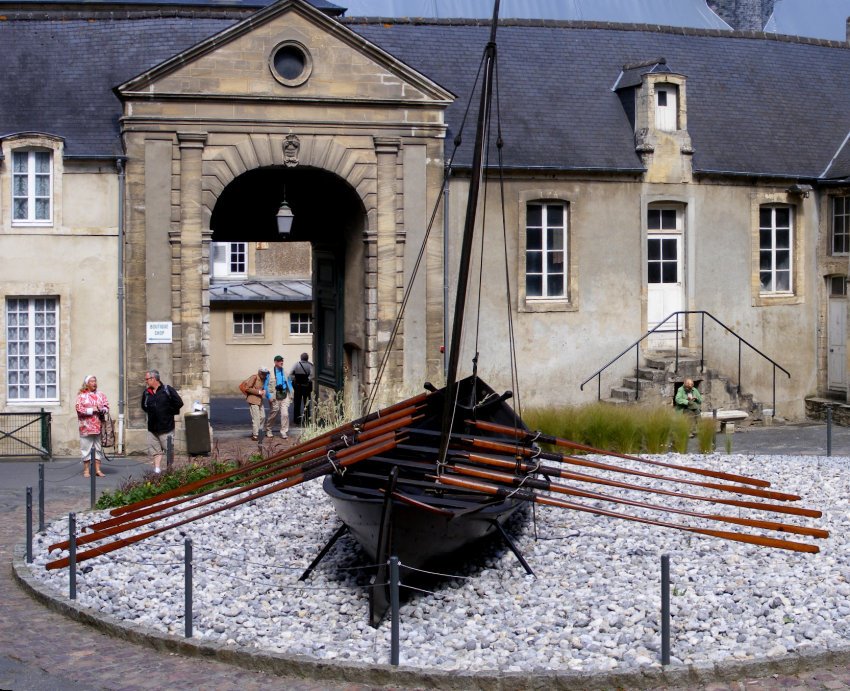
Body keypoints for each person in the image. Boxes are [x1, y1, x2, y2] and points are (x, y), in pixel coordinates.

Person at [141, 369, 184, 473]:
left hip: (166, 427)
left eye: (147, 379)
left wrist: (168, 412)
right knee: (155, 451)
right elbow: (144, 406)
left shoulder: (167, 390)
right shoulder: (147, 393)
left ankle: (170, 469)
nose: (146, 381)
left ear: (154, 379)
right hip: (152, 428)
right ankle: (157, 469)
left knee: (169, 450)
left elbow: (179, 403)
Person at [75, 374, 109, 477]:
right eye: (91, 381)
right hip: (86, 427)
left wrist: (103, 409)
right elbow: (79, 409)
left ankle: (97, 470)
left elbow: (106, 406)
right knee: (86, 448)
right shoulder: (81, 396)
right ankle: (86, 470)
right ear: (87, 384)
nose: (94, 383)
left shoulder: (101, 394)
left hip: (98, 426)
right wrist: (92, 409)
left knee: (98, 448)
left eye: (95, 381)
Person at [265, 355, 293, 439]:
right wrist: (269, 396)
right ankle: (268, 429)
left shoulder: (285, 372)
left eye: (282, 361)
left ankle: (284, 431)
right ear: (275, 362)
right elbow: (265, 386)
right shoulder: (270, 373)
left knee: (285, 414)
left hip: (284, 395)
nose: (282, 362)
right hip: (274, 396)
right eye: (280, 361)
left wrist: (291, 394)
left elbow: (289, 383)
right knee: (274, 413)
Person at [240, 367, 270, 441]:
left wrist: (264, 391)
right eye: (264, 373)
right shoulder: (254, 377)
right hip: (253, 399)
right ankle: (255, 435)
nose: (265, 375)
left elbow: (263, 387)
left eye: (266, 373)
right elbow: (247, 388)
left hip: (260, 400)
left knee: (263, 416)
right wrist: (259, 392)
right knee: (256, 418)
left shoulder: (264, 379)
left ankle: (259, 431)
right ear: (260, 372)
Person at [290, 352, 314, 426]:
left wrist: (295, 379)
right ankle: (306, 420)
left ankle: (296, 420)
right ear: (307, 358)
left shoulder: (296, 364)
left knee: (297, 403)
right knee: (306, 403)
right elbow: (312, 375)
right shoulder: (310, 365)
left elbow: (290, 373)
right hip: (306, 386)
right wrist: (307, 380)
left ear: (301, 357)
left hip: (297, 386)